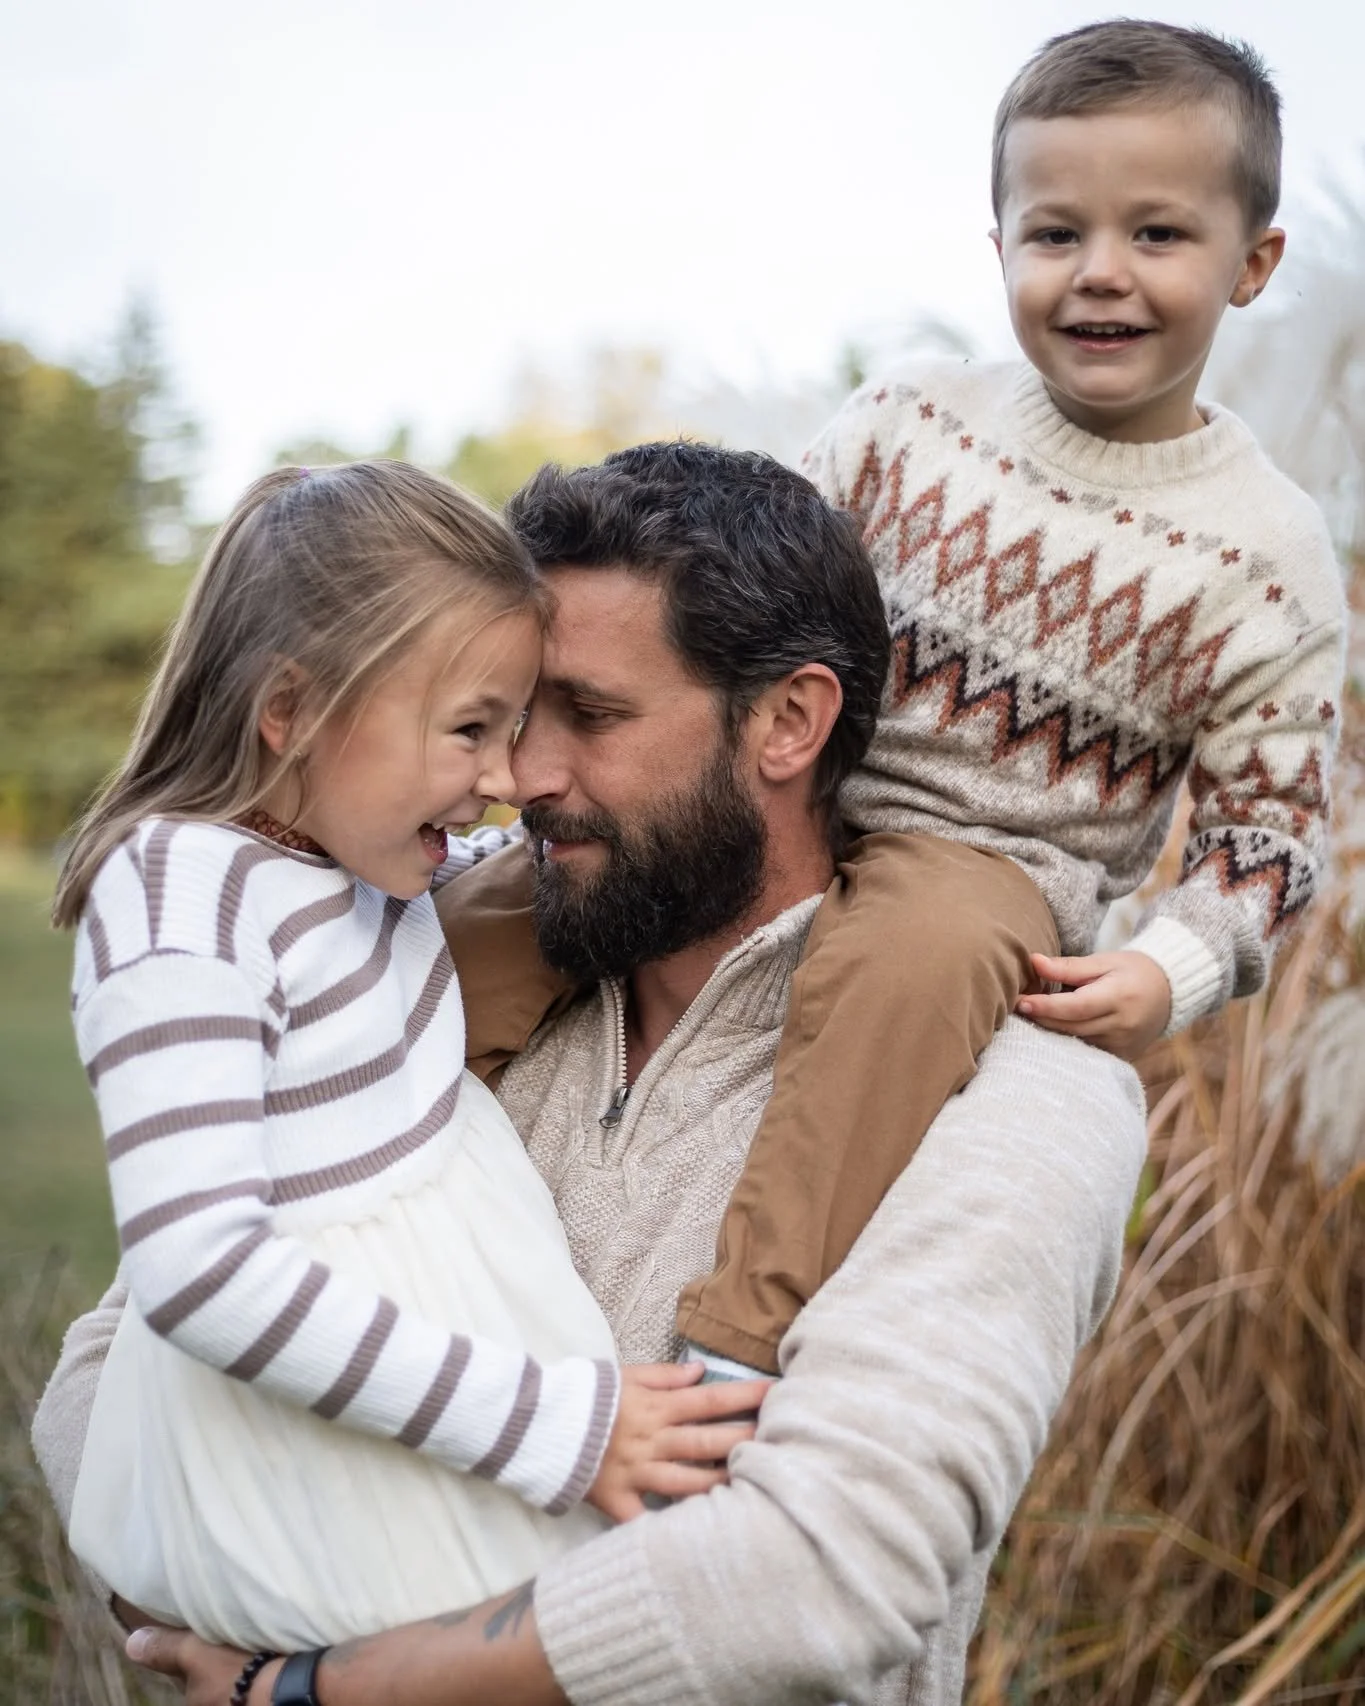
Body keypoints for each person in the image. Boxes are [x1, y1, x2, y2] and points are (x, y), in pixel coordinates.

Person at [34, 442, 1148, 1706]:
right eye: (502, 717)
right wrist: (222, 1586)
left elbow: (825, 1569)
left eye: (592, 715)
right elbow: (106, 1369)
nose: (521, 777)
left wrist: (306, 1686)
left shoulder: (1021, 1091)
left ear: (790, 721)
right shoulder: (421, 965)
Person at [427, 19, 1351, 1385]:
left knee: (900, 966)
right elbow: (751, 582)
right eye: (1054, 234)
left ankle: (734, 1336)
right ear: (999, 250)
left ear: (1251, 261)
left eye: (1157, 235)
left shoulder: (1264, 551)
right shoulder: (908, 422)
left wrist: (1175, 966)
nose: (1099, 273)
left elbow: (1265, 833)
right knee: (495, 907)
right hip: (797, 795)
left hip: (987, 871)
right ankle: (331, 1155)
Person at [44, 460, 765, 1654]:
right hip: (345, 1424)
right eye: (472, 727)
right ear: (293, 711)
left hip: (438, 1400)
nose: (505, 779)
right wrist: (554, 1423)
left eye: (517, 722)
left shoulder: (346, 852)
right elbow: (200, 1270)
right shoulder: (182, 892)